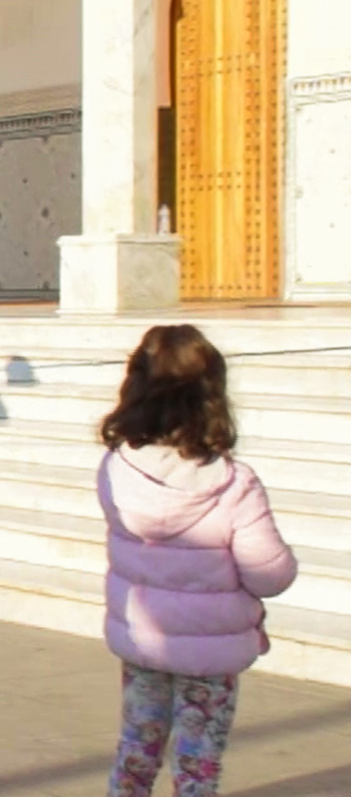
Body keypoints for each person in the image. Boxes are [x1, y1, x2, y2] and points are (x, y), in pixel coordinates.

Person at [99, 325, 298, 797]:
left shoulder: (118, 469)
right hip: (210, 650)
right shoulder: (234, 484)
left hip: (144, 636)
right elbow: (268, 575)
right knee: (197, 764)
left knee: (136, 750)